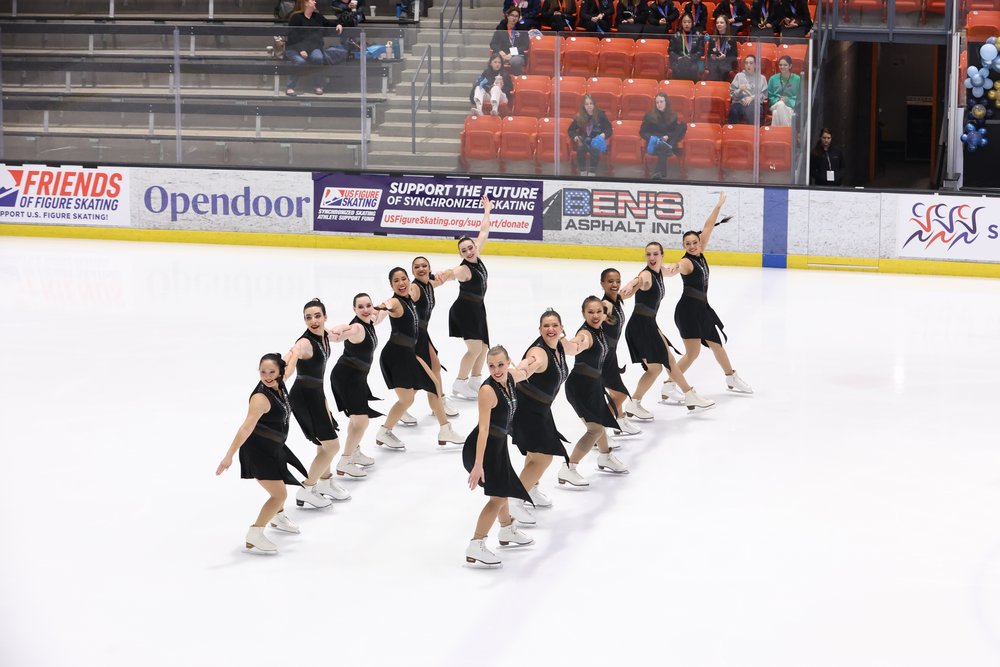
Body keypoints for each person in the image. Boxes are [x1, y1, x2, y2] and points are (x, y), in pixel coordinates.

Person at [216, 353, 309, 555]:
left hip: (275, 448)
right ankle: (255, 534)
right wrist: (228, 456)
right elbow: (246, 428)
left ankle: (278, 516)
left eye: (271, 372)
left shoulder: (280, 383)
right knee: (279, 494)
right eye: (262, 372)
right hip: (258, 451)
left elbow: (290, 365)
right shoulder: (260, 398)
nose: (267, 376)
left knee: (281, 482)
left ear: (280, 371)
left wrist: (296, 350)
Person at [663, 193, 754, 397]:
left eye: (694, 242)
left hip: (702, 309)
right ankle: (668, 385)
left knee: (717, 345)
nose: (692, 246)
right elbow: (676, 267)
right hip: (688, 312)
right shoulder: (686, 262)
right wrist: (670, 267)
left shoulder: (701, 251)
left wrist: (718, 206)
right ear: (684, 246)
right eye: (688, 244)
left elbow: (708, 226)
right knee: (692, 353)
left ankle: (731, 377)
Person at [619, 241, 716, 420]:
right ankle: (690, 394)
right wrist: (632, 283)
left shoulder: (659, 271)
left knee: (655, 369)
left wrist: (677, 266)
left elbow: (671, 270)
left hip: (648, 324)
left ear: (662, 255)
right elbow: (639, 280)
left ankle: (634, 403)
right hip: (641, 326)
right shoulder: (646, 274)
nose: (652, 257)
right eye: (648, 254)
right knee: (669, 360)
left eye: (655, 254)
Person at [375, 268, 466, 451]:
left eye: (403, 279)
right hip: (396, 356)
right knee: (424, 390)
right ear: (391, 285)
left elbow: (431, 284)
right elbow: (387, 305)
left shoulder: (409, 299)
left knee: (410, 397)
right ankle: (444, 429)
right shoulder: (396, 301)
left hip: (408, 353)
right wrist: (378, 310)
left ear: (409, 280)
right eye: (396, 281)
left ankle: (384, 432)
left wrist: (445, 275)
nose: (401, 283)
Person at [464, 346, 537, 567]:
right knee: (498, 497)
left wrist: (532, 361)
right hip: (483, 448)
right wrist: (478, 465)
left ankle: (506, 529)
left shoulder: (511, 378)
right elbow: (484, 429)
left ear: (508, 362)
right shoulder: (487, 391)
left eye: (501, 365)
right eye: (491, 366)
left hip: (498, 446)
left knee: (504, 489)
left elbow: (524, 372)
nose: (496, 370)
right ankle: (476, 544)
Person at [558, 296, 629, 487]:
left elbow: (609, 307)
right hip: (580, 387)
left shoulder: (599, 329)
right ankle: (569, 468)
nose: (595, 315)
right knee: (595, 429)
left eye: (599, 311)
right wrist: (563, 339)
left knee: (602, 421)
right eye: (590, 312)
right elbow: (575, 346)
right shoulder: (586, 334)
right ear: (583, 314)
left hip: (593, 385)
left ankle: (605, 456)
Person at [287, 298, 351, 509]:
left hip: (316, 394)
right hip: (304, 396)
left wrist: (354, 325)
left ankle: (324, 482)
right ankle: (307, 488)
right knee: (332, 445)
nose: (313, 321)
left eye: (317, 316)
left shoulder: (324, 335)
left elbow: (337, 334)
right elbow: (293, 353)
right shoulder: (304, 343)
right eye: (308, 318)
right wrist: (282, 372)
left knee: (324, 442)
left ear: (325, 317)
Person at [509, 310, 574, 519]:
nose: (551, 329)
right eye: (546, 326)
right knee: (543, 458)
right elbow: (531, 363)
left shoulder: (559, 346)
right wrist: (522, 368)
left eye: (555, 325)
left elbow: (577, 347)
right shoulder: (539, 352)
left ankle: (531, 489)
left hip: (542, 409)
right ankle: (514, 501)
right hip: (527, 409)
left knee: (534, 454)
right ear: (539, 329)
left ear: (562, 328)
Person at [329, 293, 387, 478]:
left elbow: (380, 314)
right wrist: (337, 329)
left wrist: (389, 305)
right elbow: (344, 333)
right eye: (360, 307)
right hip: (346, 377)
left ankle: (353, 451)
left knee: (355, 420)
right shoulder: (357, 327)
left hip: (357, 378)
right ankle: (345, 461)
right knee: (362, 421)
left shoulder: (370, 320)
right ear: (354, 309)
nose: (365, 309)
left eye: (368, 305)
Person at [397, 256, 460, 426]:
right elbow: (404, 296)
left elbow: (447, 276)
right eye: (416, 267)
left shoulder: (429, 284)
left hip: (423, 333)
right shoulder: (414, 288)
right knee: (423, 375)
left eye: (424, 265)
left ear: (429, 268)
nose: (421, 268)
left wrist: (444, 273)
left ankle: (438, 402)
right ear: (412, 272)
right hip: (414, 336)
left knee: (435, 367)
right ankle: (401, 408)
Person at [448, 196, 495, 401]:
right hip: (465, 310)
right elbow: (451, 273)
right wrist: (439, 274)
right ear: (460, 254)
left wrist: (487, 211)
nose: (468, 251)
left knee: (484, 347)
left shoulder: (477, 256)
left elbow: (483, 231)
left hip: (478, 308)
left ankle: (475, 379)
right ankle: (459, 382)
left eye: (470, 248)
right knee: (474, 348)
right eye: (463, 250)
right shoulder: (464, 269)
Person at [599, 269, 642, 437]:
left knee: (614, 392)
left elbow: (631, 290)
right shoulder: (606, 305)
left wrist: (636, 280)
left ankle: (620, 421)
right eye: (610, 281)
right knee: (621, 394)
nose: (615, 284)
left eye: (618, 281)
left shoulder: (617, 299)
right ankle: (599, 432)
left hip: (611, 354)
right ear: (602, 284)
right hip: (603, 357)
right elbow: (595, 319)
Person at [285, 0, 343, 97]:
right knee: (300, 62)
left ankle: (318, 85)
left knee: (318, 58)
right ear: (305, 3)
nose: (315, 2)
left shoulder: (317, 17)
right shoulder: (296, 17)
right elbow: (292, 36)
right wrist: (300, 50)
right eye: (312, 0)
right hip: (294, 48)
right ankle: (290, 87)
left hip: (313, 48)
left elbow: (328, 23)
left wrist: (338, 24)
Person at [640, 93, 687, 179]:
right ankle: (660, 172)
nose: (659, 104)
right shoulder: (649, 116)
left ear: (666, 102)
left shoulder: (673, 115)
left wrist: (667, 136)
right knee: (663, 146)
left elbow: (674, 133)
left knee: (683, 125)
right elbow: (642, 132)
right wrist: (652, 137)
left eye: (661, 102)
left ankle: (658, 173)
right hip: (655, 143)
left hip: (669, 141)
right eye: (657, 102)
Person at [568, 95, 613, 177]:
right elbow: (571, 130)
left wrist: (603, 135)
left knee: (595, 151)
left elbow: (609, 129)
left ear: (594, 104)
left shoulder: (600, 115)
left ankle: (592, 173)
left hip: (596, 140)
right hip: (584, 140)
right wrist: (575, 136)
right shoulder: (580, 116)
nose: (589, 106)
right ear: (583, 106)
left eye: (591, 103)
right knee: (580, 150)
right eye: (586, 104)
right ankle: (583, 172)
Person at [727, 54, 768, 124]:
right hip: (739, 102)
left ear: (755, 65)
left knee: (753, 111)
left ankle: (752, 130)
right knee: (733, 111)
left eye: (751, 63)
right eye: (746, 63)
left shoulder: (761, 78)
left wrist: (752, 98)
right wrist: (740, 90)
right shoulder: (739, 76)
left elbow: (764, 95)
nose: (748, 65)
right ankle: (734, 130)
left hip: (754, 104)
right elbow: (732, 94)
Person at [490, 7, 531, 76]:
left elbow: (525, 45)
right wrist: (500, 51)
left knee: (515, 61)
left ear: (519, 18)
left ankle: (516, 79)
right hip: (503, 53)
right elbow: (493, 44)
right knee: (496, 60)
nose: (514, 18)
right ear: (508, 16)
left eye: (516, 16)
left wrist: (512, 54)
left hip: (517, 54)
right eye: (512, 15)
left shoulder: (523, 28)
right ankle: (497, 79)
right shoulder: (501, 27)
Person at [669, 14, 705, 82]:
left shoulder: (698, 35)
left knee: (693, 68)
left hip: (693, 61)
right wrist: (678, 58)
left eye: (689, 22)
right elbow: (671, 51)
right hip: (679, 61)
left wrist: (691, 58)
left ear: (692, 23)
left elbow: (701, 51)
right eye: (684, 22)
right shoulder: (676, 35)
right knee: (678, 67)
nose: (687, 24)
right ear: (681, 23)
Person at [767, 55, 800, 127]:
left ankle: (775, 133)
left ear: (790, 66)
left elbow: (799, 97)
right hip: (775, 104)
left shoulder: (797, 79)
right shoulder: (773, 78)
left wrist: (787, 100)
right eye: (780, 65)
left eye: (785, 65)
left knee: (776, 113)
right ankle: (788, 130)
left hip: (791, 106)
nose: (782, 67)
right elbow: (769, 96)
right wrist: (778, 100)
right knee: (781, 104)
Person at [705, 15, 738, 82]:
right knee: (713, 69)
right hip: (714, 63)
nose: (719, 24)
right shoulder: (713, 39)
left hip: (726, 63)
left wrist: (725, 57)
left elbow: (734, 56)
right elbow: (708, 54)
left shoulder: (731, 39)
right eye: (717, 23)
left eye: (721, 23)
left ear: (726, 25)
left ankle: (721, 87)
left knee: (722, 69)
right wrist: (712, 56)